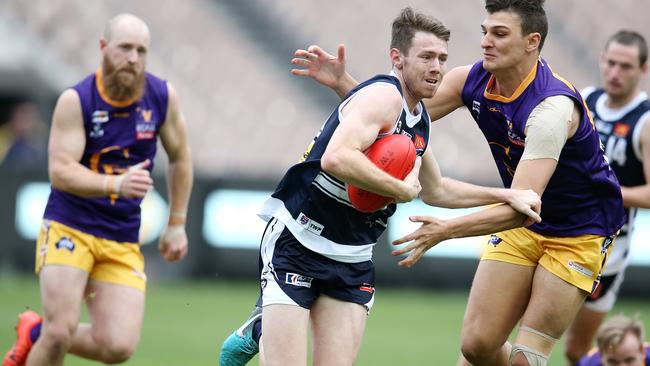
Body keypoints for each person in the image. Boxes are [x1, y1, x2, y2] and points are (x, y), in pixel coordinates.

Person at [284, 0, 626, 365]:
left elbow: (522, 208)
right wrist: (345, 87)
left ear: (532, 42)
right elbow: (401, 118)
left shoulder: (551, 110)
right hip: (525, 222)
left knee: (526, 359)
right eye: (484, 32)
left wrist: (444, 230)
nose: (485, 42)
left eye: (499, 34)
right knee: (476, 347)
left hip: (579, 232)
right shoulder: (472, 80)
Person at [221, 7, 543, 366]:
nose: (436, 67)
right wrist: (400, 189)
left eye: (441, 58)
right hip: (299, 241)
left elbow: (436, 191)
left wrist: (506, 194)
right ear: (397, 58)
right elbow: (336, 158)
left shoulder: (420, 120)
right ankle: (262, 326)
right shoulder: (383, 96)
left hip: (353, 257)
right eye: (426, 57)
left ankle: (263, 327)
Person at [2, 13, 193, 366]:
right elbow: (60, 171)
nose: (133, 58)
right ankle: (44, 334)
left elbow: (181, 158)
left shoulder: (161, 96)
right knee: (59, 331)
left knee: (118, 346)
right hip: (69, 226)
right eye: (124, 48)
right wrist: (114, 184)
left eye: (141, 50)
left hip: (121, 236)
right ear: (103, 48)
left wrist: (177, 223)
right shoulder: (78, 100)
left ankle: (32, 332)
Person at [564, 30, 650, 366]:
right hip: (563, 233)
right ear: (601, 60)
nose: (615, 72)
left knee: (578, 350)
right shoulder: (585, 100)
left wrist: (606, 189)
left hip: (607, 255)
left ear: (643, 70)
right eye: (611, 63)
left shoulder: (644, 120)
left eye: (626, 66)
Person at [577, 314, 650, 366]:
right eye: (613, 362)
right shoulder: (588, 363)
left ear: (642, 351)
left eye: (629, 360)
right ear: (601, 355)